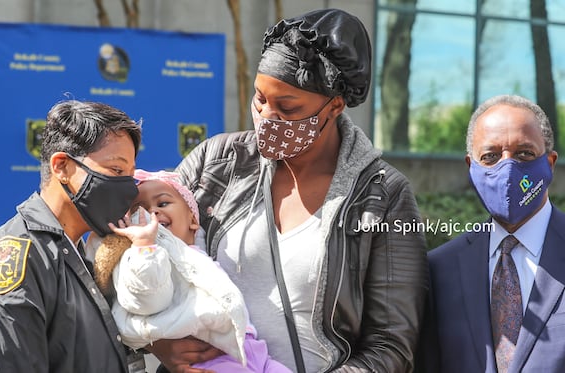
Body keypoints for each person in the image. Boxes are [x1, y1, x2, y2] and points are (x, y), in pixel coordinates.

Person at [149, 8, 429, 373]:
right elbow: (138, 248)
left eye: (287, 107)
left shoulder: (382, 196)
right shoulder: (217, 162)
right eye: (260, 98)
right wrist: (160, 342)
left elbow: (392, 343)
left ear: (334, 106)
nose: (267, 116)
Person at [0, 100, 143, 372]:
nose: (128, 188)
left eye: (130, 175)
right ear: (61, 166)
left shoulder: (83, 256)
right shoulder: (17, 260)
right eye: (116, 170)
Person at [418, 94, 565, 372]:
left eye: (524, 153)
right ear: (470, 168)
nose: (507, 168)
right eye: (490, 156)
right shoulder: (439, 269)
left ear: (550, 163)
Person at [91, 169, 292, 373]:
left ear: (193, 220)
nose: (152, 212)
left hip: (251, 349)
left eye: (162, 203)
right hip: (208, 355)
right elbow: (146, 297)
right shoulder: (146, 258)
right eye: (138, 210)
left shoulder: (197, 255)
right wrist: (144, 246)